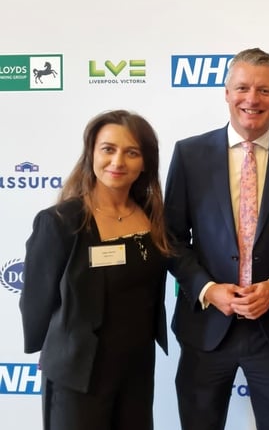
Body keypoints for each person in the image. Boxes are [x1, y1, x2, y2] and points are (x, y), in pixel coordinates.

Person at [164, 47, 269, 430]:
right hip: (206, 326)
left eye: (265, 90)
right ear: (227, 92)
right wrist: (207, 289)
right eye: (243, 88)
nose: (253, 99)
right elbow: (171, 238)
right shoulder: (190, 154)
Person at [20, 110, 171, 430]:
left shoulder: (152, 217)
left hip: (136, 369)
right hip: (78, 372)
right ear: (91, 153)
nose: (118, 161)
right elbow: (36, 300)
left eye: (132, 152)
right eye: (108, 149)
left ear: (145, 162)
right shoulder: (61, 222)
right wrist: (51, 353)